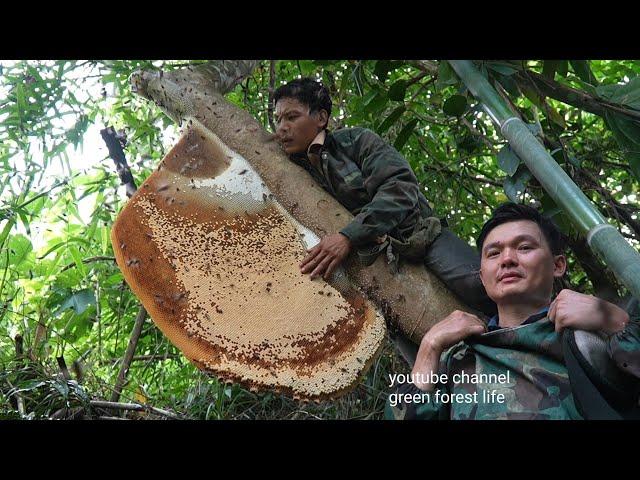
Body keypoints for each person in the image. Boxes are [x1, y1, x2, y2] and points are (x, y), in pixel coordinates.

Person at [385, 202, 640, 420]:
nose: (507, 259)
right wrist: (430, 345)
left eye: (524, 247)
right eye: (494, 253)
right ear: (482, 276)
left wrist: (615, 320)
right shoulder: (458, 356)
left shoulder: (595, 331)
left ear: (558, 265)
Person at [273, 77, 495, 315]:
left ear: (320, 118)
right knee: (413, 338)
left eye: (292, 117)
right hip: (377, 267)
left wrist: (347, 236)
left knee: (480, 286)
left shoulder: (355, 141)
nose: (281, 127)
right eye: (277, 120)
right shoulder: (293, 171)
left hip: (421, 236)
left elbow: (399, 188)